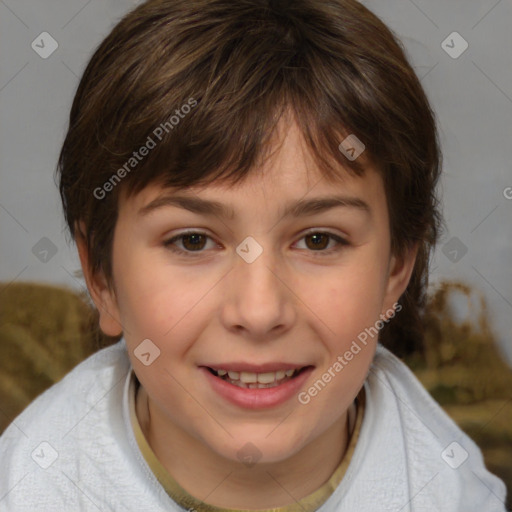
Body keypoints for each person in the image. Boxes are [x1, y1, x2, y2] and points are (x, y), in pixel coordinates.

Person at [0, 0, 507, 510]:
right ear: (101, 276)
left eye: (318, 240)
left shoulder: (451, 491)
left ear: (397, 268)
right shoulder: (32, 487)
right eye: (193, 240)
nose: (260, 312)